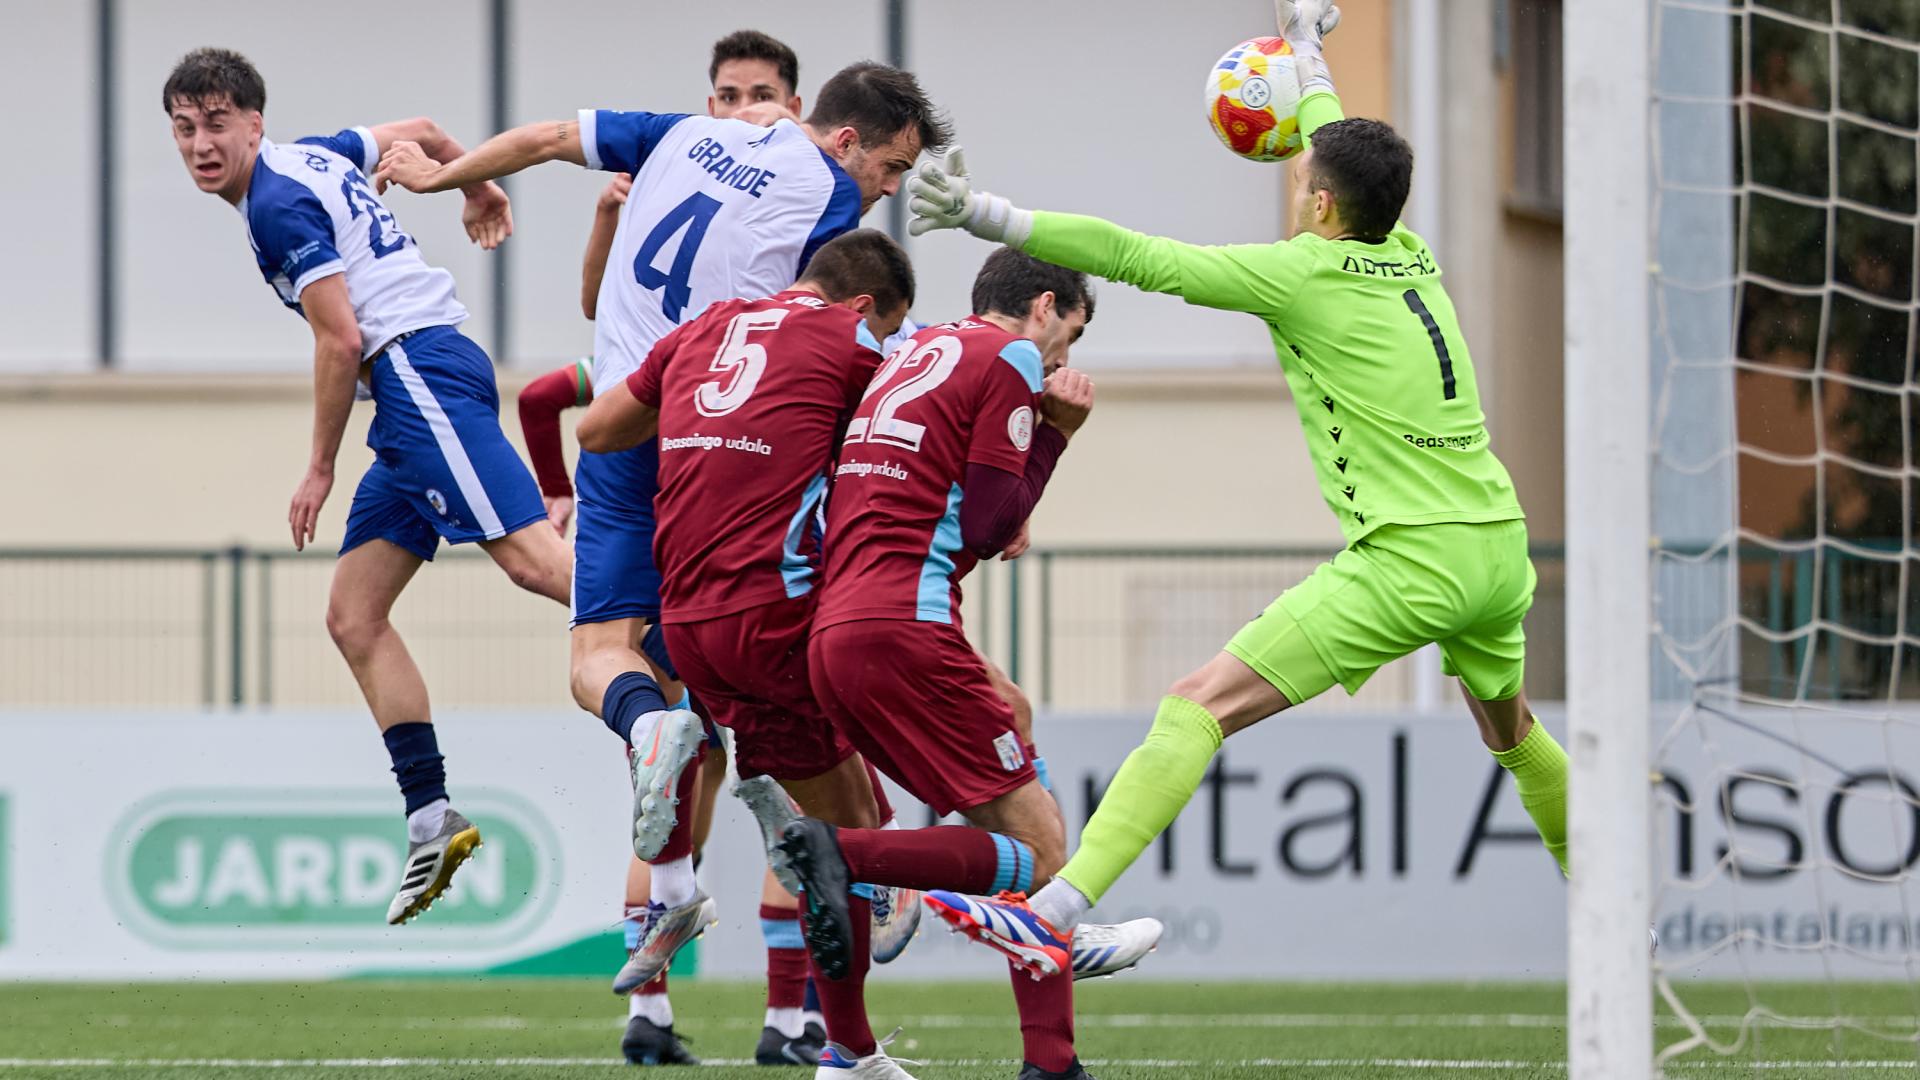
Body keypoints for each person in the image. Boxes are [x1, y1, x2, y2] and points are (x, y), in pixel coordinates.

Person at [905, 0, 1569, 977]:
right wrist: (1305, 57)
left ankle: (1056, 906)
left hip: (1415, 557)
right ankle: (1609, 909)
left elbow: (1137, 256)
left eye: (1305, 180)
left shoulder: (1301, 274)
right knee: (1512, 734)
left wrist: (987, 215)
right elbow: (1336, 147)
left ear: (1322, 208)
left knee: (1196, 705)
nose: (1298, 181)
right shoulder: (1408, 250)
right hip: (1497, 546)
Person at [376, 56, 948, 1066]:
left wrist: (444, 177)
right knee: (790, 690)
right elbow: (834, 329)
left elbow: (552, 136)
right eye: (893, 168)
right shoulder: (829, 212)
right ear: (849, 139)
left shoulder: (683, 133)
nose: (888, 193)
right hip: (730, 455)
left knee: (602, 657)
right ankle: (866, 884)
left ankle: (664, 795)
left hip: (633, 423)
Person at [514, 31, 906, 1067]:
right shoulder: (796, 325)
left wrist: (562, 489)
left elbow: (570, 389)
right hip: (754, 578)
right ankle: (808, 1021)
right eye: (727, 97)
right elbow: (575, 371)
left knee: (676, 743)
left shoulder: (708, 322)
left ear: (799, 119)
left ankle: (745, 991)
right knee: (796, 793)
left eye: (761, 98)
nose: (742, 114)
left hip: (680, 554)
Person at [162, 47, 571, 927]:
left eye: (217, 122)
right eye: (185, 128)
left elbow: (341, 340)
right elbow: (419, 130)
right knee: (354, 614)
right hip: (408, 392)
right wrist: (472, 185)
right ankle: (432, 817)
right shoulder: (315, 152)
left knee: (540, 565)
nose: (201, 143)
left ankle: (708, 646)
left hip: (415, 368)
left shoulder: (274, 203)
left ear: (254, 122)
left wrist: (317, 465)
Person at [776, 248, 1127, 1080]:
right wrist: (1054, 439)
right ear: (1043, 307)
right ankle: (846, 857)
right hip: (905, 628)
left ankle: (855, 1053)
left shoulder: (913, 350)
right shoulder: (1005, 354)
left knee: (1015, 725)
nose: (1059, 365)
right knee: (1043, 852)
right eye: (1065, 340)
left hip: (838, 633)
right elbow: (988, 523)